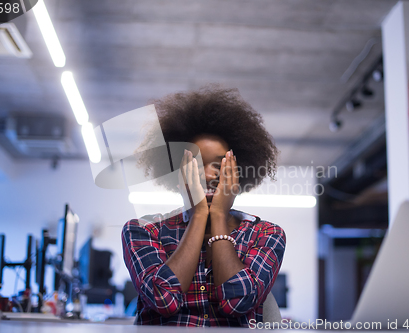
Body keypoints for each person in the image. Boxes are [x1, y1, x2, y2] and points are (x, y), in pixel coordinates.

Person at [121, 85, 286, 326]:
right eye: (196, 165)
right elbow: (163, 300)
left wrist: (218, 214)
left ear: (238, 175)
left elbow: (237, 302)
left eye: (220, 166)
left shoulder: (266, 234)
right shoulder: (143, 230)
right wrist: (198, 212)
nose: (209, 175)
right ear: (177, 173)